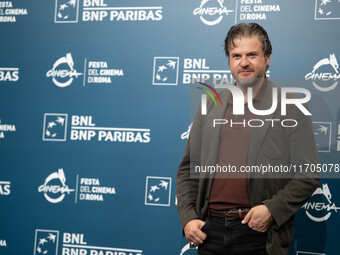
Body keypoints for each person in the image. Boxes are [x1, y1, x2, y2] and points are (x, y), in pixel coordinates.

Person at [176, 23, 319, 255]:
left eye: (252, 54)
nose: (244, 62)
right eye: (236, 56)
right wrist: (188, 217)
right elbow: (188, 169)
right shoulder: (210, 105)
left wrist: (272, 210)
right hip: (209, 232)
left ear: (267, 58)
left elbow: (307, 174)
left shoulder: (292, 107)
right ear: (229, 61)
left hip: (260, 234)